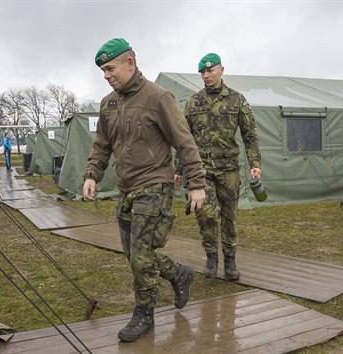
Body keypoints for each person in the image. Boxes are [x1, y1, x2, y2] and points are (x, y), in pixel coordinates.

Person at [83, 38, 206, 342]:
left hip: (154, 185)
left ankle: (145, 314)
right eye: (102, 70)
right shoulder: (108, 103)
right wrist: (92, 175)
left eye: (110, 68)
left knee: (140, 255)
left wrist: (197, 184)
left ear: (130, 63)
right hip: (126, 189)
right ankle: (178, 273)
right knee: (136, 254)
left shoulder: (158, 97)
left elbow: (184, 141)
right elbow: (102, 144)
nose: (106, 75)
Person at [175, 53, 261, 281]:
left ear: (221, 70)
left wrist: (255, 164)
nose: (206, 75)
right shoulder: (194, 102)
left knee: (230, 217)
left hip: (228, 169)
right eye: (202, 72)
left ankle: (230, 260)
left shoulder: (237, 100)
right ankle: (211, 257)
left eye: (210, 71)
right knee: (206, 215)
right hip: (201, 170)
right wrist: (178, 169)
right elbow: (184, 138)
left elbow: (250, 133)